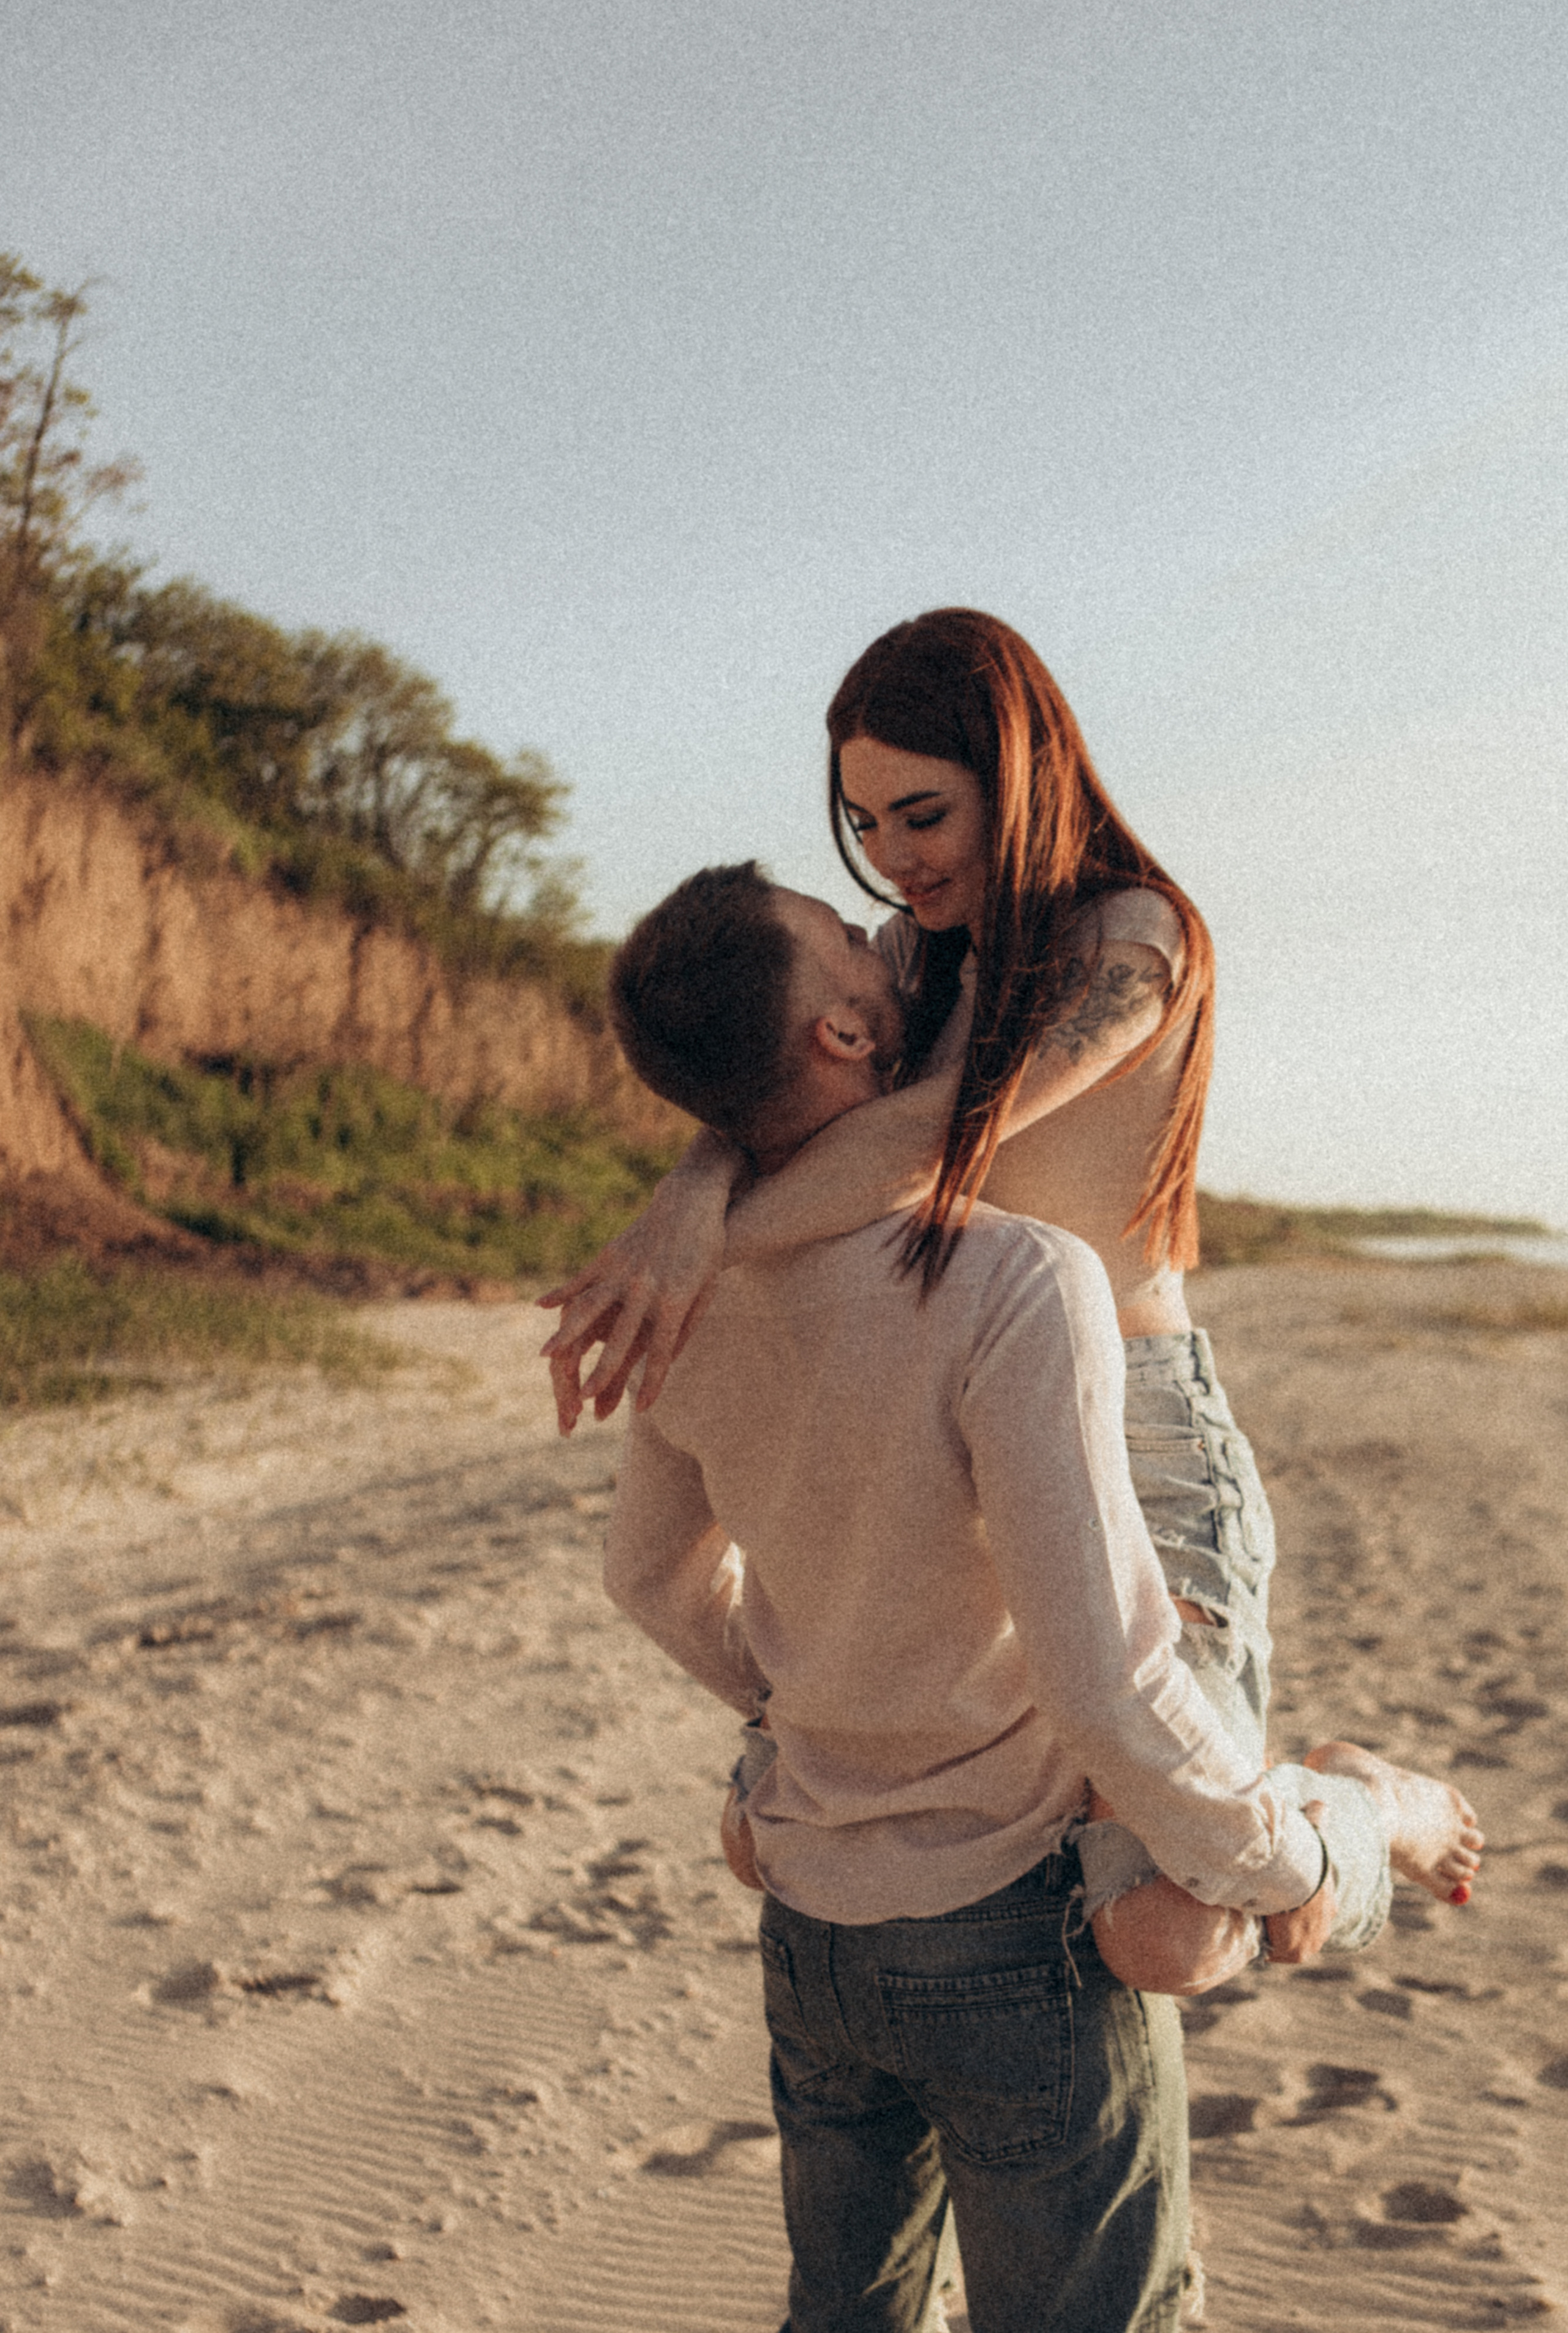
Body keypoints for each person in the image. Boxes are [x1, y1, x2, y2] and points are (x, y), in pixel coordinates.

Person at [541, 609, 1481, 1948]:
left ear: (1019, 772)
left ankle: (1364, 1805)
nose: (890, 861)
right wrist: (689, 1187)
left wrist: (699, 1239)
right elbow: (777, 1089)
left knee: (1168, 1930)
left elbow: (923, 1144)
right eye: (862, 826)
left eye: (919, 815)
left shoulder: (1129, 944)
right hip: (959, 1416)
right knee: (768, 1843)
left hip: (1140, 1430)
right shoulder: (914, 959)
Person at [600, 859, 1348, 2333]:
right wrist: (1289, 1866)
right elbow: (1110, 1685)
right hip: (1010, 1940)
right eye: (841, 945)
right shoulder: (1018, 1281)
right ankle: (1369, 1817)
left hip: (814, 1934)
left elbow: (646, 1577)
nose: (881, 944)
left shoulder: (688, 1304)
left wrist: (801, 1699)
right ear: (842, 1038)